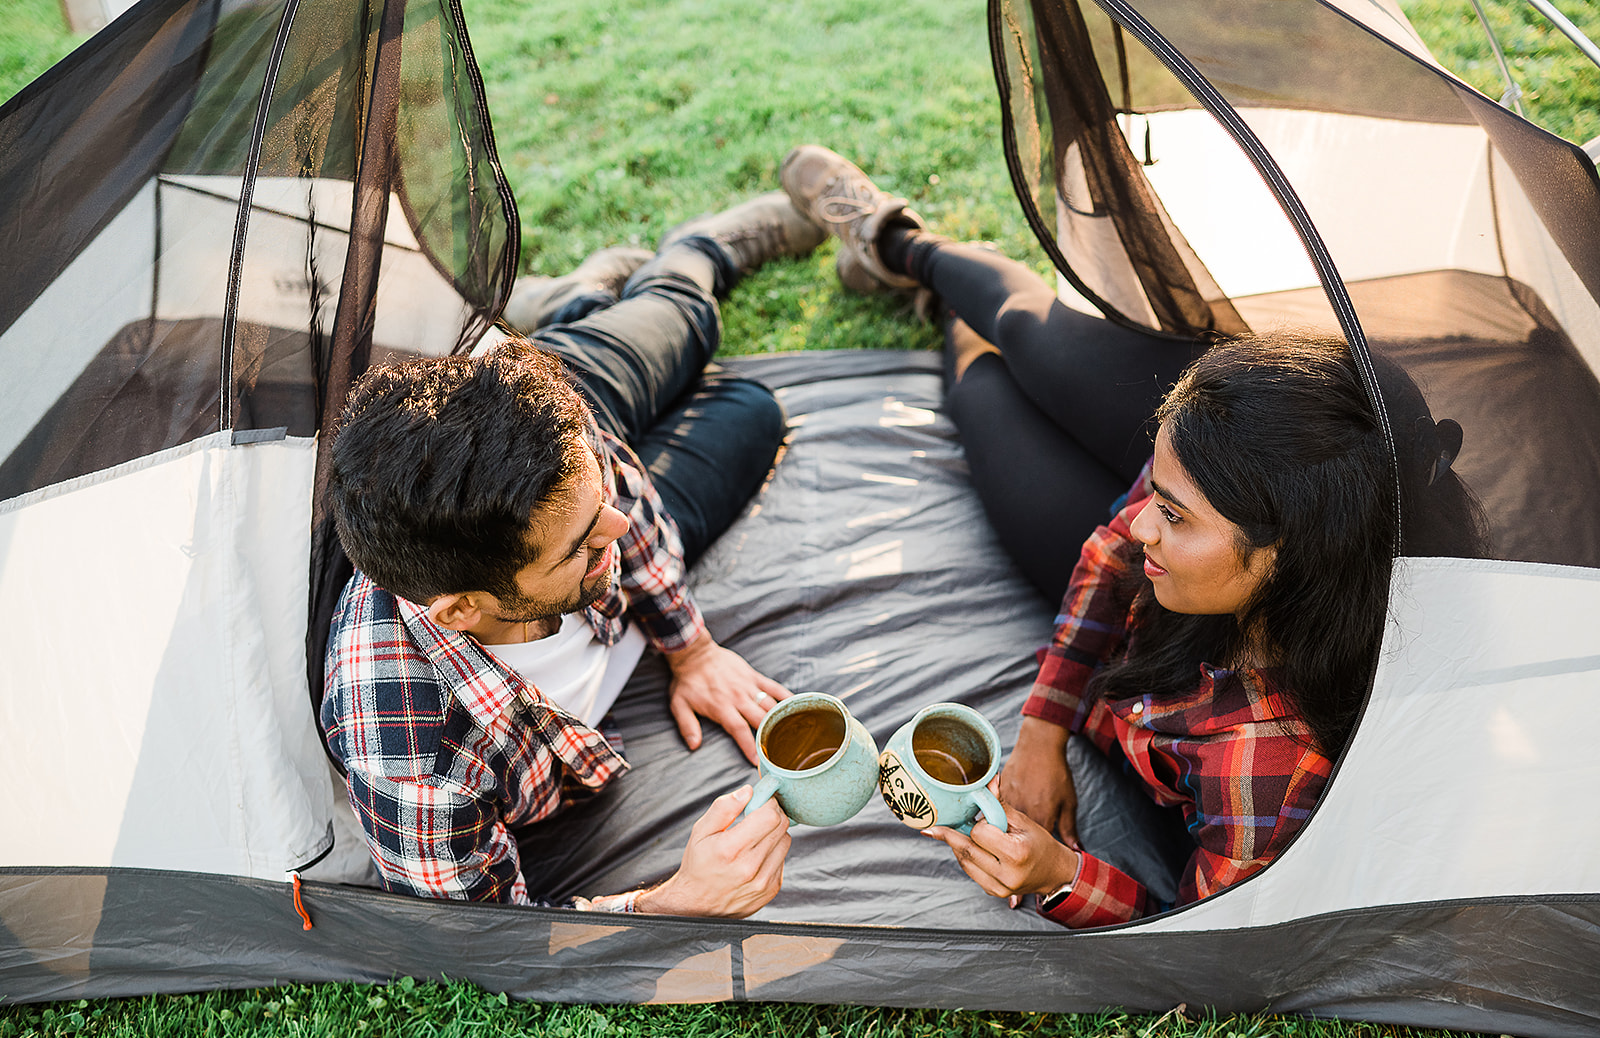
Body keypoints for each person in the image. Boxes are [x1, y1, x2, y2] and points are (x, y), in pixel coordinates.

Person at [780, 144, 1487, 927]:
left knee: (983, 395)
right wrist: (1042, 730)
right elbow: (1114, 544)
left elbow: (1192, 937)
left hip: (1208, 553)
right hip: (1234, 450)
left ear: (1290, 558)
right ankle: (894, 237)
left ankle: (942, 303)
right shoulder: (1201, 511)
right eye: (1155, 495)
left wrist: (1055, 872)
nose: (1137, 526)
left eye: (1172, 516)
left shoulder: (1269, 766)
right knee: (1026, 330)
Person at [320, 193, 823, 916]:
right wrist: (673, 904)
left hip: (578, 387)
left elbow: (618, 509)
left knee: (688, 325)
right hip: (496, 514)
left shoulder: (552, 434)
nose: (619, 528)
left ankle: (698, 252)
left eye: (600, 500)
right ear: (464, 610)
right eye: (583, 544)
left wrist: (693, 650)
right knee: (745, 409)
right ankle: (579, 297)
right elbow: (488, 938)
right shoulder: (409, 752)